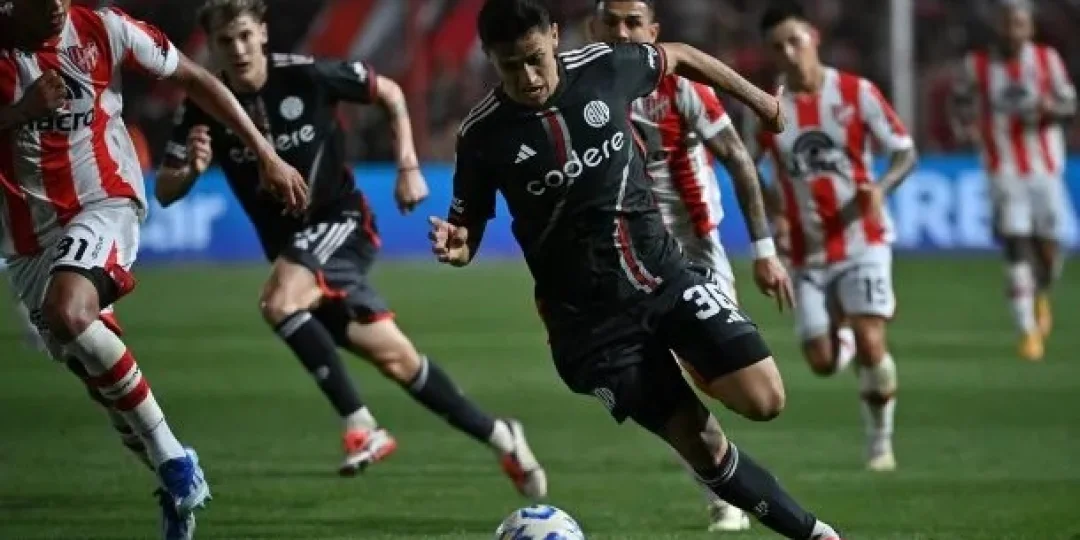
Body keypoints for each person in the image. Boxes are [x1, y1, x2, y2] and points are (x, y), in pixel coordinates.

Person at [430, 1, 843, 538]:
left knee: (766, 399)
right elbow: (467, 231)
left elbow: (682, 55)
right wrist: (457, 245)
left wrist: (761, 101)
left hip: (665, 279)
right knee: (703, 443)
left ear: (553, 36)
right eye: (511, 66)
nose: (528, 77)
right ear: (489, 57)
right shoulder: (482, 135)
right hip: (590, 328)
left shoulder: (606, 66)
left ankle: (688, 359)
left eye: (535, 59)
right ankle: (817, 534)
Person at [155, 0, 546, 498]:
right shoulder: (204, 103)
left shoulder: (306, 75)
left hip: (341, 223)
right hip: (296, 252)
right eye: (225, 41)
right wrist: (190, 170)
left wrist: (408, 166)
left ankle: (361, 423)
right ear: (211, 46)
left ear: (263, 33)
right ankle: (502, 435)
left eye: (246, 36)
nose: (238, 49)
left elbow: (391, 93)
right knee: (399, 361)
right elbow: (164, 190)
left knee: (277, 303)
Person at [0, 0, 310, 538]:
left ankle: (174, 462)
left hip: (103, 201)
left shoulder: (104, 28)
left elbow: (196, 79)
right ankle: (174, 486)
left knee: (68, 312)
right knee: (101, 383)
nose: (55, 8)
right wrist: (19, 112)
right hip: (27, 240)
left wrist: (265, 152)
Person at [586, 0, 795, 532]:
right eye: (611, 22)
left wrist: (765, 251)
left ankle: (728, 479)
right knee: (667, 384)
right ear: (592, 28)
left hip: (694, 254)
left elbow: (737, 159)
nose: (622, 33)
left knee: (739, 386)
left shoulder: (680, 86)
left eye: (634, 23)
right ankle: (723, 495)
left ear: (654, 31)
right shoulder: (579, 91)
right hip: (627, 261)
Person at [750, 3, 918, 473]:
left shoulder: (856, 93)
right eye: (778, 47)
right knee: (822, 362)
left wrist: (880, 189)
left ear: (814, 37)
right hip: (806, 251)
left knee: (871, 341)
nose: (789, 52)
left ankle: (879, 445)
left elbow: (905, 152)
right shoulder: (767, 107)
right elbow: (744, 164)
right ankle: (840, 331)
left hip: (863, 240)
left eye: (795, 40)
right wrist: (775, 209)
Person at [950, 0, 1074, 362]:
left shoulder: (1047, 60)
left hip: (1046, 169)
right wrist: (965, 126)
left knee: (1049, 251)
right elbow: (960, 101)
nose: (1012, 31)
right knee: (1016, 244)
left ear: (1029, 28)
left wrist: (1052, 111)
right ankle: (1027, 331)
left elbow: (1069, 104)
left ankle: (1041, 293)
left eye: (1019, 24)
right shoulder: (977, 65)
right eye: (1006, 24)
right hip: (1002, 169)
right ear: (998, 27)